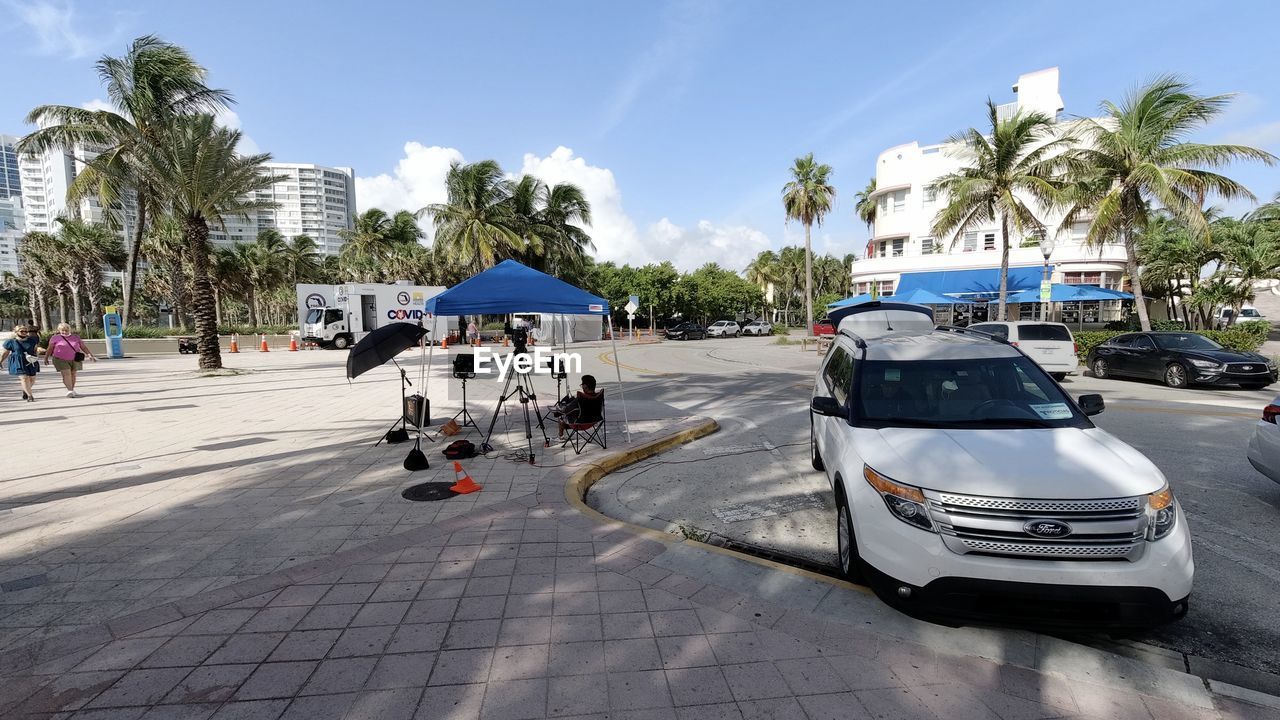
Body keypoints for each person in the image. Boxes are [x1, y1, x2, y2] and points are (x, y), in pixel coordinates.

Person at [45, 322, 96, 398]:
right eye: (62, 330)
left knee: (73, 374)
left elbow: (83, 347)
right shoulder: (55, 338)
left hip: (75, 358)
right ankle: (70, 390)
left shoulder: (76, 337)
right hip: (60, 359)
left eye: (66, 330)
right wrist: (46, 357)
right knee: (66, 374)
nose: (65, 332)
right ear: (59, 330)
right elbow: (50, 348)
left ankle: (72, 389)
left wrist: (89, 354)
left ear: (70, 330)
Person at [2, 324, 43, 401]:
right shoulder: (10, 342)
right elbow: (5, 353)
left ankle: (25, 390)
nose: (24, 332)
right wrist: (0, 361)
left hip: (31, 361)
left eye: (26, 331)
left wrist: (39, 351)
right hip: (18, 361)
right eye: (22, 331)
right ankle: (30, 396)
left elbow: (35, 350)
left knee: (32, 379)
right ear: (16, 332)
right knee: (24, 378)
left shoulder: (32, 340)